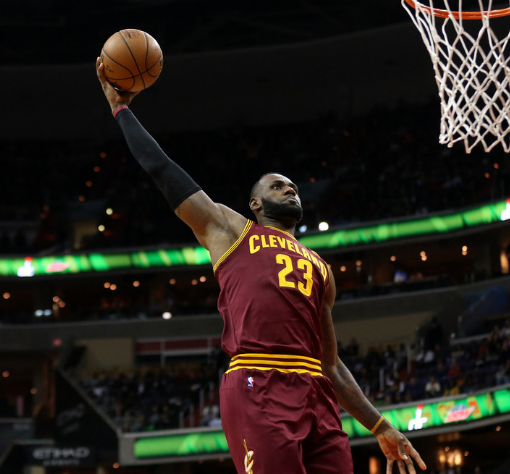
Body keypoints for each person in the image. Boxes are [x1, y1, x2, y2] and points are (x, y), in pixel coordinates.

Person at [96, 58, 426, 474]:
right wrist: (121, 110)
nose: (290, 189)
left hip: (316, 391)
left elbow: (330, 363)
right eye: (277, 185)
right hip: (258, 381)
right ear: (255, 203)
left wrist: (380, 425)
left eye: (293, 186)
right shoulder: (231, 230)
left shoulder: (321, 269)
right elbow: (163, 169)